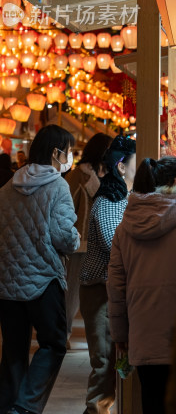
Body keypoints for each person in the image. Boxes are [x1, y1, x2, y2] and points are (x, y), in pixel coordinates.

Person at [0, 123, 80, 414]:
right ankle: (25, 407)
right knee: (53, 344)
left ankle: (7, 409)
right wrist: (76, 238)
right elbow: (64, 237)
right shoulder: (57, 186)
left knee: (13, 351)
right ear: (56, 153)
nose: (70, 157)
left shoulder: (7, 186)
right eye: (69, 152)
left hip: (6, 281)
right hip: (42, 280)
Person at [107, 156, 176, 414]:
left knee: (153, 403)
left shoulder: (125, 227)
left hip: (144, 335)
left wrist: (120, 336)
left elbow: (115, 288)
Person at [79, 134, 136, 414]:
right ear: (122, 167)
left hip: (110, 289)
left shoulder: (122, 196)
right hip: (99, 291)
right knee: (104, 363)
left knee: (113, 361)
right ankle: (95, 410)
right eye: (136, 162)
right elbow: (116, 245)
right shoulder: (110, 200)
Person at [64, 133, 112, 341]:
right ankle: (62, 332)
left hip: (102, 243)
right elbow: (66, 207)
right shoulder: (78, 175)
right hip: (80, 242)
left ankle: (98, 334)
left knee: (99, 293)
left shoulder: (109, 175)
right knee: (72, 292)